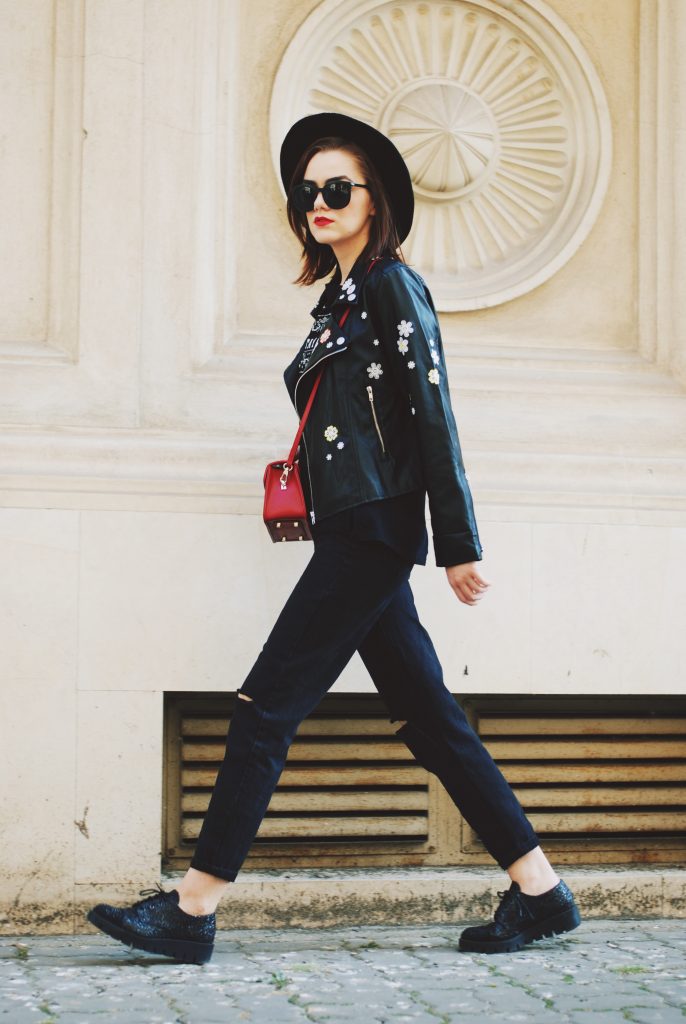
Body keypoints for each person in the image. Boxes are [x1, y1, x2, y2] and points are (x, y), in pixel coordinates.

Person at [87, 112, 581, 965]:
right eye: (307, 190)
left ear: (373, 197)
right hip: (353, 531)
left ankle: (193, 908)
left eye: (336, 188)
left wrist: (457, 541)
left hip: (374, 533)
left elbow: (436, 417)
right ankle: (541, 891)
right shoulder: (338, 300)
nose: (318, 200)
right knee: (429, 717)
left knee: (264, 707)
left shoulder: (392, 286)